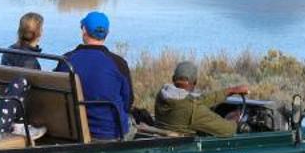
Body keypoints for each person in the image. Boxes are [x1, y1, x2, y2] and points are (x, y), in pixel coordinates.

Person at [54, 10, 133, 141]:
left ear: (84, 30)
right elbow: (127, 102)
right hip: (109, 133)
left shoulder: (66, 61)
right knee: (133, 123)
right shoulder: (118, 63)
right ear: (107, 34)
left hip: (73, 131)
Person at [152, 61, 250, 137]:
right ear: (195, 82)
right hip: (187, 150)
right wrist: (234, 120)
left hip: (166, 143)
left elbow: (198, 99)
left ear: (173, 79)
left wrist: (230, 91)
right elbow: (228, 130)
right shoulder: (194, 110)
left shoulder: (162, 96)